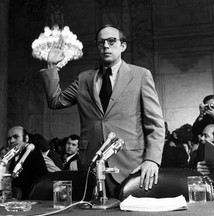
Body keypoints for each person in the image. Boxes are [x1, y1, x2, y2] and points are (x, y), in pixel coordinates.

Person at [39, 24, 165, 197]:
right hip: (91, 166)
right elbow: (55, 101)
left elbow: (155, 124)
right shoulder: (84, 78)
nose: (106, 46)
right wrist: (51, 66)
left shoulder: (141, 75)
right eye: (101, 42)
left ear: (123, 45)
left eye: (112, 41)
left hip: (130, 167)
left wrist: (152, 160)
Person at [7, 126, 48, 199]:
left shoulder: (33, 153)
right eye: (9, 138)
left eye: (15, 137)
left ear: (26, 138)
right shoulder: (12, 155)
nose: (12, 140)